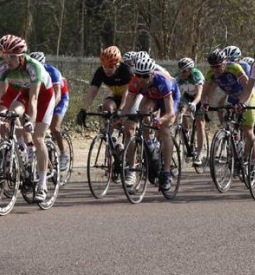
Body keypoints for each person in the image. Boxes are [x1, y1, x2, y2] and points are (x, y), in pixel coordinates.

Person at [0, 35, 55, 203]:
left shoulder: (33, 67)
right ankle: (20, 151)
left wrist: (30, 120)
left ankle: (43, 185)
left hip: (43, 97)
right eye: (5, 55)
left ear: (22, 55)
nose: (8, 59)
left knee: (38, 138)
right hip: (23, 93)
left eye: (13, 56)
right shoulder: (2, 65)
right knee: (9, 115)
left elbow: (35, 98)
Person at [121, 53, 180, 192]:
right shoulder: (135, 81)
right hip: (152, 97)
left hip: (169, 98)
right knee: (142, 112)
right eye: (139, 75)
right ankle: (149, 145)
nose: (142, 79)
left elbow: (170, 113)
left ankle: (166, 173)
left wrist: (160, 120)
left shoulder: (162, 81)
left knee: (165, 130)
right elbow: (127, 107)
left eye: (145, 76)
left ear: (152, 74)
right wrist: (120, 119)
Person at [29, 51, 71, 171]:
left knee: (55, 127)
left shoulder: (53, 72)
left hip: (61, 97)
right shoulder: (30, 72)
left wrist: (49, 110)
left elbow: (57, 95)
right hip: (43, 97)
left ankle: (63, 154)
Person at [74, 46, 133, 129]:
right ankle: (110, 135)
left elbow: (127, 94)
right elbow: (92, 92)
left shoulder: (125, 71)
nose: (107, 70)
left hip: (130, 97)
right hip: (116, 95)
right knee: (107, 107)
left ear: (117, 65)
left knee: (129, 127)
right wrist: (83, 110)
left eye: (111, 67)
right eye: (104, 66)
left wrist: (120, 110)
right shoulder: (100, 72)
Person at [175, 57, 206, 166]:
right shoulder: (178, 76)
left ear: (190, 70)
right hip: (188, 96)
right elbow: (175, 93)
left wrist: (194, 104)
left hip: (200, 97)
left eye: (184, 71)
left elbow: (199, 95)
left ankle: (200, 152)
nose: (181, 73)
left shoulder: (197, 75)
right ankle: (185, 131)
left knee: (199, 122)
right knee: (180, 111)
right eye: (180, 71)